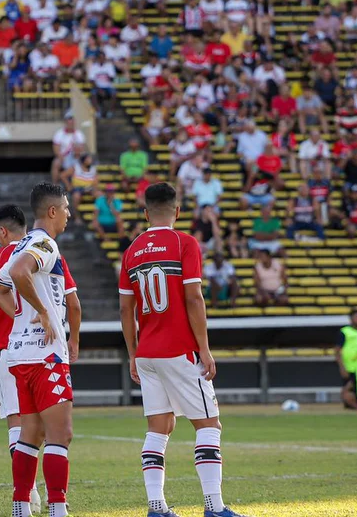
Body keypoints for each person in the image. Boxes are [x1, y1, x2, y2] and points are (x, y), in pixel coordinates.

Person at [118, 181, 245, 517]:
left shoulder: (131, 251)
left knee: (159, 428)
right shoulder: (184, 243)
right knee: (208, 425)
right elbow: (193, 297)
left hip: (147, 353)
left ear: (145, 213)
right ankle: (213, 506)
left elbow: (125, 310)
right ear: (177, 211)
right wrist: (204, 348)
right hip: (179, 350)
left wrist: (133, 353)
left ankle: (157, 506)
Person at [0, 204, 80, 514]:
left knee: (28, 433)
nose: (68, 215)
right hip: (44, 353)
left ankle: (21, 505)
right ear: (51, 211)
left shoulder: (11, 251)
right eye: (65, 208)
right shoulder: (44, 244)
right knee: (61, 434)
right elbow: (68, 301)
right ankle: (57, 509)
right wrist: (44, 314)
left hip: (16, 351)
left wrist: (22, 315)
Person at [334, 308, 357, 406]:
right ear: (351, 319)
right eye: (356, 317)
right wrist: (342, 367)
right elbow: (337, 351)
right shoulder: (344, 332)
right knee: (348, 389)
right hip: (349, 367)